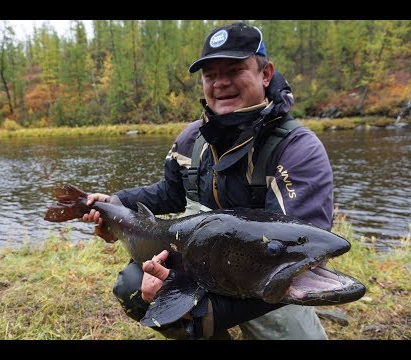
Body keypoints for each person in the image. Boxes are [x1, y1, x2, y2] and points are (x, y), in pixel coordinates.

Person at [83, 22, 333, 340]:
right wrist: (117, 203)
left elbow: (299, 248)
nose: (220, 83)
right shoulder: (191, 138)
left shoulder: (297, 149)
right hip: (201, 264)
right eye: (211, 75)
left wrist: (204, 309)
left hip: (263, 277)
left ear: (265, 73)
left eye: (234, 70)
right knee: (135, 289)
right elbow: (170, 193)